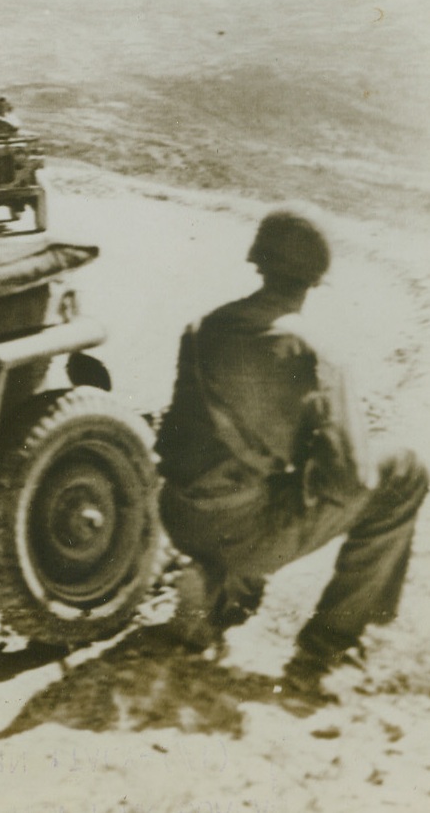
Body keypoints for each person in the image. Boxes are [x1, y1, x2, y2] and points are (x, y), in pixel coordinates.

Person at [155, 210, 427, 697]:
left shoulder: (202, 329)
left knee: (257, 479)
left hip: (179, 513)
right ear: (315, 280)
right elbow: (351, 481)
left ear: (259, 262)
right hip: (245, 530)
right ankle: (327, 648)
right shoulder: (311, 352)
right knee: (406, 471)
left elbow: (174, 434)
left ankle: (219, 591)